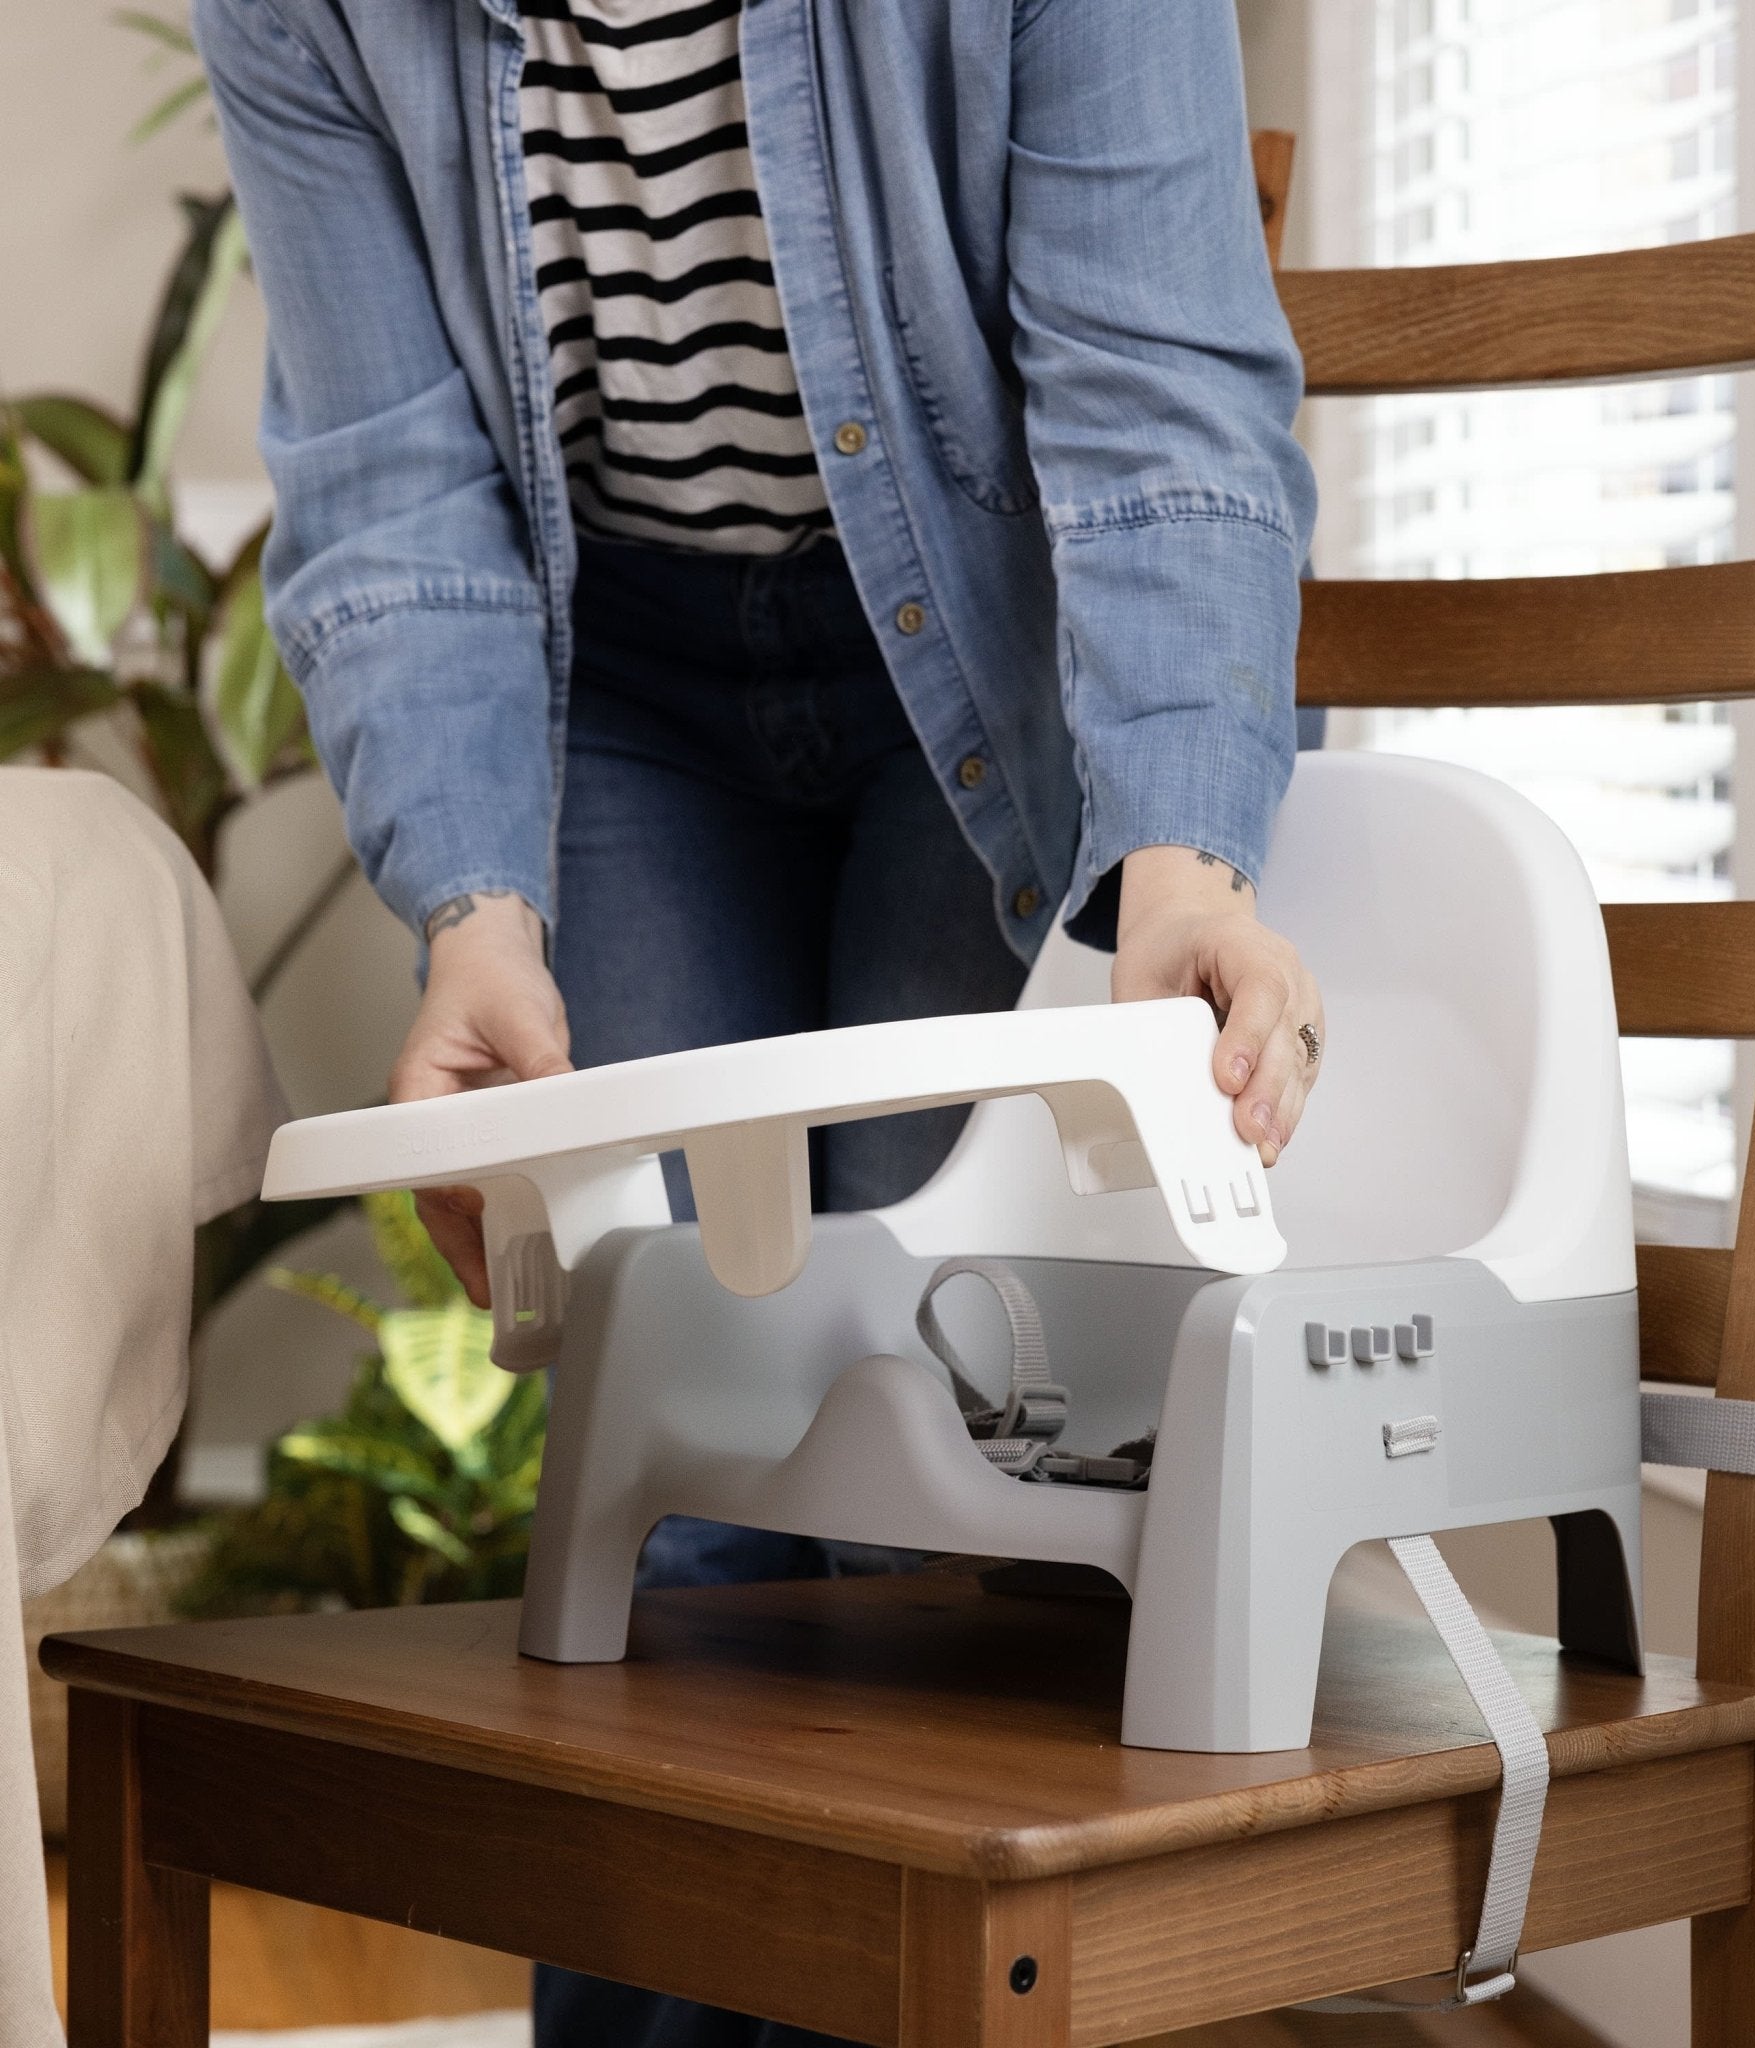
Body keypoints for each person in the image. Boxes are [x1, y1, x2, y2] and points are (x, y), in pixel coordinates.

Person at [196, 0, 1324, 2038]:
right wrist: (478, 913)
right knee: (690, 1436)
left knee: (945, 1408)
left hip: (987, 627)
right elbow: (389, 474)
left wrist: (1181, 859)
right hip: (607, 672)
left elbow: (1156, 381)